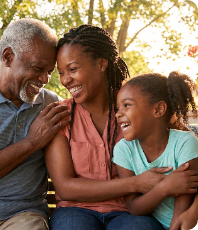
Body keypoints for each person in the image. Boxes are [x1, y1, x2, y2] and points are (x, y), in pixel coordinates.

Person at [44, 24, 198, 230]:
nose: (65, 80)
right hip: (75, 210)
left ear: (101, 64)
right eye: (61, 72)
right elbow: (65, 187)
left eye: (73, 69)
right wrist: (135, 183)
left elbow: (186, 153)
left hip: (129, 212)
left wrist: (193, 211)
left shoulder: (137, 108)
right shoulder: (61, 116)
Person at [0, 18, 70, 230]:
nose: (44, 79)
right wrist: (31, 142)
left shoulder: (51, 105)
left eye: (50, 71)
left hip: (24, 215)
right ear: (8, 57)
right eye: (38, 67)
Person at [113, 72, 198, 230]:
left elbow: (182, 211)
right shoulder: (123, 150)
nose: (118, 113)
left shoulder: (184, 142)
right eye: (118, 108)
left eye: (127, 105)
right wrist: (164, 187)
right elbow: (134, 207)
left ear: (158, 109)